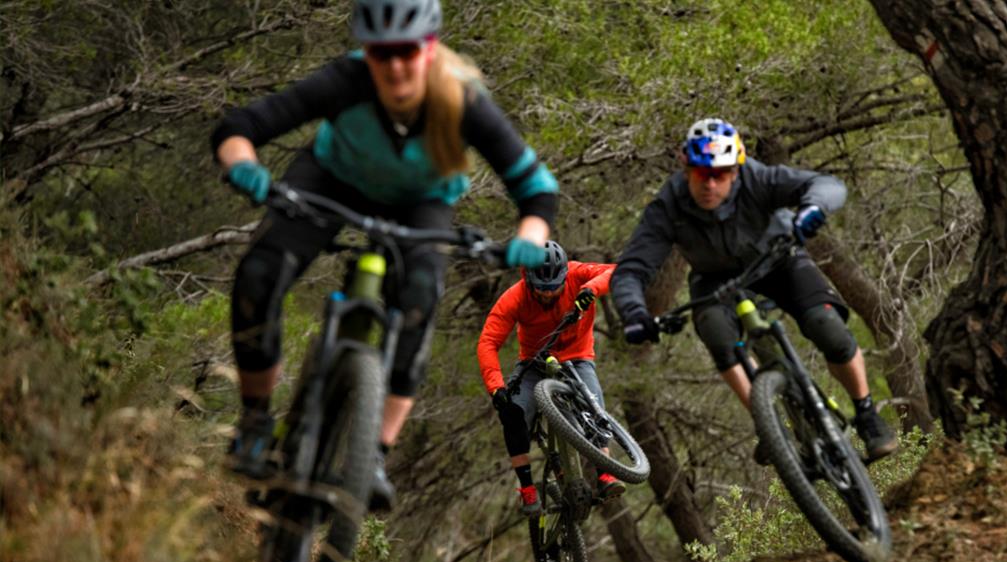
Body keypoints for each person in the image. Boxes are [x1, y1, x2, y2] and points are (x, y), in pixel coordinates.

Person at [212, 0, 559, 511]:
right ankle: (256, 421)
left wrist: (529, 236)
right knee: (260, 274)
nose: (395, 66)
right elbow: (239, 127)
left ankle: (372, 455)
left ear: (429, 48)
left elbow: (536, 188)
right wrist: (244, 165)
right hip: (331, 181)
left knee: (419, 296)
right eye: (380, 53)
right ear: (366, 52)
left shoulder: (460, 98)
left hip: (421, 202)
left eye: (406, 51)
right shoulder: (346, 81)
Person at [611, 118, 897, 461]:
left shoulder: (757, 179)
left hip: (778, 261)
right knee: (716, 331)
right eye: (701, 173)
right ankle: (769, 425)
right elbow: (631, 269)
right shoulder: (669, 205)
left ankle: (867, 414)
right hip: (715, 279)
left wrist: (814, 207)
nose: (710, 183)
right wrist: (634, 312)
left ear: (735, 171)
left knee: (828, 328)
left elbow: (826, 185)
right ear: (686, 167)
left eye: (720, 174)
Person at [477, 241, 626, 515]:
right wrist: (496, 387)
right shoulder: (515, 297)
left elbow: (618, 271)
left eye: (554, 287)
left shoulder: (578, 274)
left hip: (577, 357)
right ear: (528, 280)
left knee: (593, 404)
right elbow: (488, 342)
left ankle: (606, 474)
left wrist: (591, 290)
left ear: (564, 277)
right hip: (533, 363)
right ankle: (527, 489)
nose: (547, 293)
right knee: (512, 415)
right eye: (541, 288)